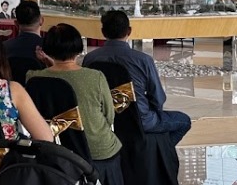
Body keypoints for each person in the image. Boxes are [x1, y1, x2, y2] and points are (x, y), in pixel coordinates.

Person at [27, 23, 126, 185]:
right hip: (97, 150)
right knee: (111, 145)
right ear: (79, 48)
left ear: (46, 50)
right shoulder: (94, 77)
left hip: (57, 152)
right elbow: (110, 116)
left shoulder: (33, 77)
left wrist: (49, 65)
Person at [82, 10, 192, 145]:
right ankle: (158, 153)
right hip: (140, 119)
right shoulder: (143, 60)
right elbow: (158, 98)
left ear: (103, 32)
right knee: (184, 121)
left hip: (104, 120)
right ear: (129, 31)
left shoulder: (90, 59)